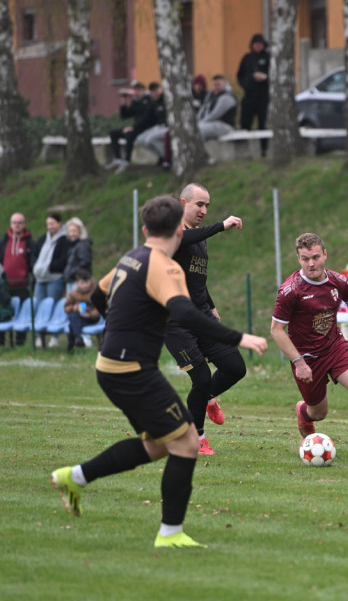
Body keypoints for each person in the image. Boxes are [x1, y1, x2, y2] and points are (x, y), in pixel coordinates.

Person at [50, 195, 268, 548]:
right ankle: (170, 533)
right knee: (185, 442)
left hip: (111, 365)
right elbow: (186, 315)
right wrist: (240, 337)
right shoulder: (164, 266)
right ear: (178, 232)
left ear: (145, 229)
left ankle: (75, 477)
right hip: (131, 370)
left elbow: (98, 297)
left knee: (157, 445)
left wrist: (125, 324)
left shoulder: (130, 258)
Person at [271, 233, 348, 460]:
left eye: (315, 257)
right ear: (298, 258)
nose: (311, 263)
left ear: (325, 254)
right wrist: (299, 362)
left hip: (335, 346)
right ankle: (303, 412)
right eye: (305, 259)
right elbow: (276, 331)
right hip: (306, 358)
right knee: (319, 413)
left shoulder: (339, 281)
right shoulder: (290, 291)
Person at [164, 183, 247, 456]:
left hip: (200, 316)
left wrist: (211, 306)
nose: (203, 210)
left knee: (235, 367)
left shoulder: (199, 239)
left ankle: (208, 398)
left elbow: (196, 278)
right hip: (175, 321)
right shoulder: (172, 232)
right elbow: (183, 239)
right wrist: (221, 226)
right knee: (200, 378)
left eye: (207, 206)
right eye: (199, 204)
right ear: (182, 203)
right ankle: (196, 438)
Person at [237, 33, 270, 156]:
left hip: (263, 97)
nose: (257, 46)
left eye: (260, 44)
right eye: (255, 44)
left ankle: (264, 150)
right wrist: (246, 84)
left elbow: (274, 75)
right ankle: (245, 151)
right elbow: (239, 75)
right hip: (249, 96)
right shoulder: (247, 58)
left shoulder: (268, 58)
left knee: (263, 123)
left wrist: (265, 77)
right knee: (245, 123)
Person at [107, 80, 150, 170]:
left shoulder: (148, 100)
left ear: (143, 90)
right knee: (113, 133)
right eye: (136, 90)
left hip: (144, 128)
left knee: (129, 135)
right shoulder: (135, 101)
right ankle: (118, 159)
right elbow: (125, 115)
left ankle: (127, 161)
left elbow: (146, 118)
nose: (137, 92)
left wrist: (133, 127)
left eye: (139, 90)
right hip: (134, 127)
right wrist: (123, 102)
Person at [0, 212, 34, 301]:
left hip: (23, 287)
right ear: (10, 224)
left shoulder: (30, 243)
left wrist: (31, 283)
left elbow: (33, 263)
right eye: (14, 223)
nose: (17, 225)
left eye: (19, 223)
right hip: (5, 285)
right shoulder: (3, 242)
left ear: (24, 224)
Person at [32, 212, 69, 304]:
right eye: (48, 224)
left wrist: (50, 267)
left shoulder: (65, 239)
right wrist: (35, 266)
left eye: (52, 224)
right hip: (40, 278)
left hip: (54, 278)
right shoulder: (43, 238)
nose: (50, 227)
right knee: (38, 304)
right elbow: (35, 254)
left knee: (52, 304)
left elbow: (63, 259)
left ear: (59, 223)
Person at [63, 269, 101, 353]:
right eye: (82, 283)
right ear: (77, 283)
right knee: (73, 317)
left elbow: (100, 308)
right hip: (78, 317)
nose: (85, 285)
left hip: (92, 318)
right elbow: (66, 307)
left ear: (91, 281)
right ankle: (77, 340)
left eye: (87, 282)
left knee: (72, 323)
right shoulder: (73, 294)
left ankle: (73, 344)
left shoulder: (96, 292)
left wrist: (90, 314)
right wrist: (73, 307)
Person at [196, 75, 239, 141]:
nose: (215, 87)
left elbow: (215, 115)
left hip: (225, 126)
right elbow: (203, 109)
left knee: (199, 130)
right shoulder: (211, 95)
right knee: (194, 129)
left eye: (218, 84)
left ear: (224, 84)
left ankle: (198, 150)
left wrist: (201, 122)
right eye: (214, 85)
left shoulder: (227, 97)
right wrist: (196, 121)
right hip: (212, 124)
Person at [63, 216, 92, 287]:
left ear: (80, 231)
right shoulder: (72, 244)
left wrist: (72, 273)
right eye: (70, 231)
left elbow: (84, 262)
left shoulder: (83, 245)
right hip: (71, 280)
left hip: (80, 281)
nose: (71, 234)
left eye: (74, 231)